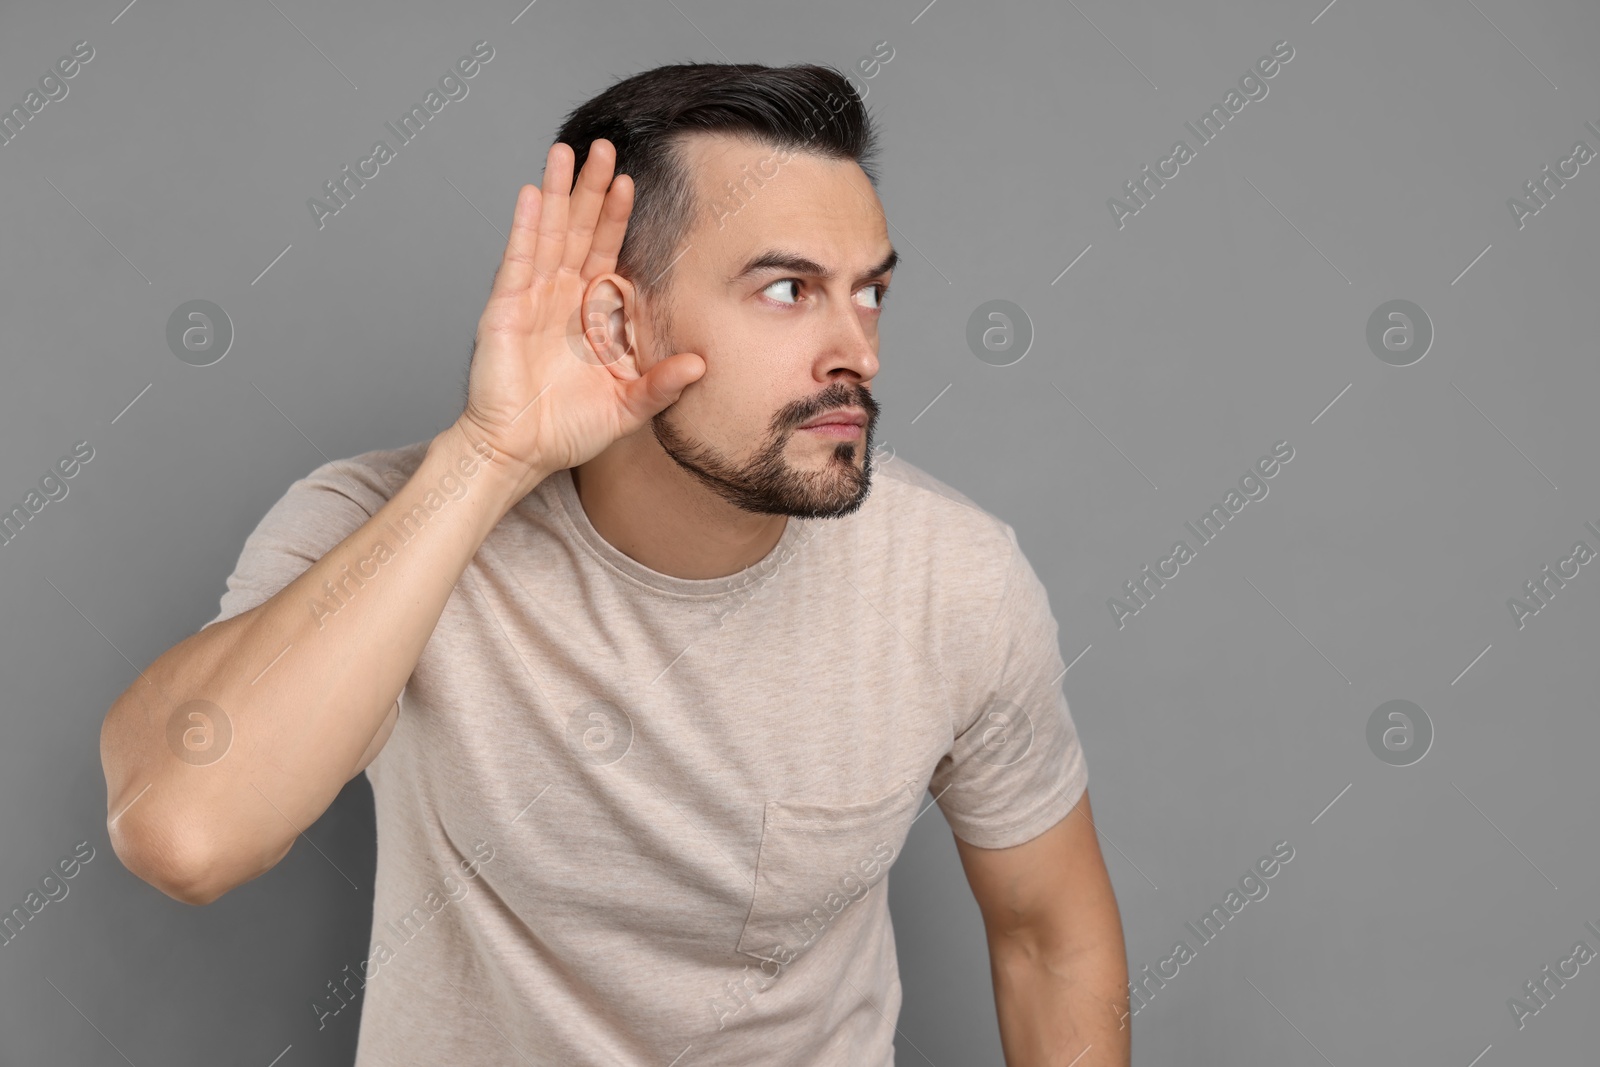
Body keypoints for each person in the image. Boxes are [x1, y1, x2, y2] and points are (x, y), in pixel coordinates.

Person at [99, 61, 1129, 1066]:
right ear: (616, 321)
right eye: (787, 289)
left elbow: (1049, 938)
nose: (856, 349)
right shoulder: (380, 522)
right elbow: (187, 831)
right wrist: (489, 456)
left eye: (870, 293)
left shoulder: (953, 576)